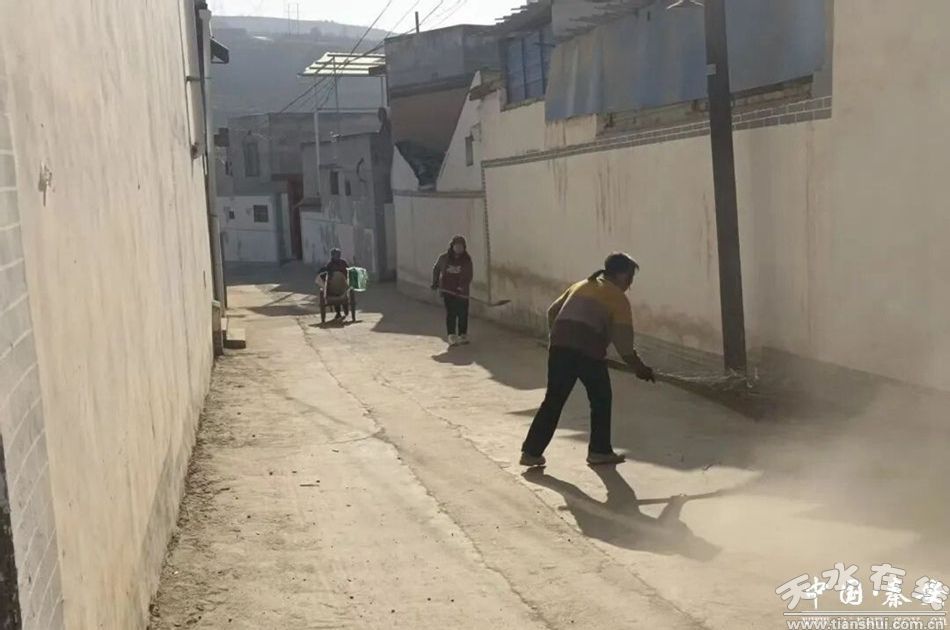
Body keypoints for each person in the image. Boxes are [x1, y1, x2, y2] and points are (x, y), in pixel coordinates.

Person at [520, 252, 656, 468]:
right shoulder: (617, 298)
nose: (630, 284)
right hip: (587, 353)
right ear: (622, 275)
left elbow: (552, 312)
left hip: (560, 349)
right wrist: (640, 368)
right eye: (630, 278)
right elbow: (624, 344)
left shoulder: (582, 285)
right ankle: (599, 451)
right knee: (601, 399)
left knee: (553, 400)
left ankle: (530, 453)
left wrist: (559, 339)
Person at [431, 236, 474, 346]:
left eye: (461, 246)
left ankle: (462, 335)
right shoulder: (444, 258)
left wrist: (461, 287)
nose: (459, 248)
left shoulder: (466, 259)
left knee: (463, 313)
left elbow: (468, 275)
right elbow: (436, 269)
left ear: (464, 247)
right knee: (451, 313)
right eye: (457, 246)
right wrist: (435, 282)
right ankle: (452, 335)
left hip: (462, 292)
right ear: (452, 246)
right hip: (448, 290)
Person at [318, 248, 350, 320]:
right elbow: (324, 273)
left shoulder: (343, 263)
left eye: (338, 255)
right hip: (333, 286)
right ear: (332, 256)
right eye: (335, 255)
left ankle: (344, 309)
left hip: (343, 284)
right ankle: (338, 313)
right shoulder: (330, 265)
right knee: (335, 298)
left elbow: (348, 271)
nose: (337, 256)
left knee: (343, 294)